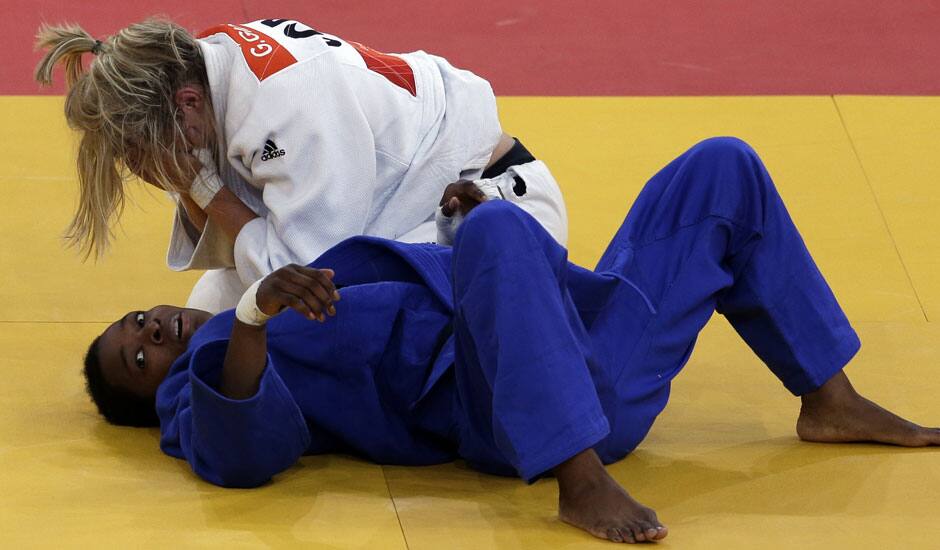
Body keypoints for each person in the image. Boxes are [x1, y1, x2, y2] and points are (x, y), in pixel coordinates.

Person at [85, 138, 940, 544]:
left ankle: (827, 396)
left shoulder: (291, 283)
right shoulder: (211, 371)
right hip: (510, 416)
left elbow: (484, 283)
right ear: (151, 396)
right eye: (138, 355)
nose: (152, 331)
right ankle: (577, 479)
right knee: (497, 239)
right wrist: (253, 320)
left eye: (137, 320)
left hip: (590, 350)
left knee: (721, 167)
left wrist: (458, 221)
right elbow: (243, 451)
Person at [35, 17, 567, 313]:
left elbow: (302, 278)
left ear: (187, 103)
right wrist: (198, 187)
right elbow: (234, 247)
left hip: (495, 221)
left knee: (289, 326)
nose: (139, 164)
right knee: (208, 314)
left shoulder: (284, 109)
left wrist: (204, 188)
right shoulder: (202, 66)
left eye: (139, 147)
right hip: (404, 208)